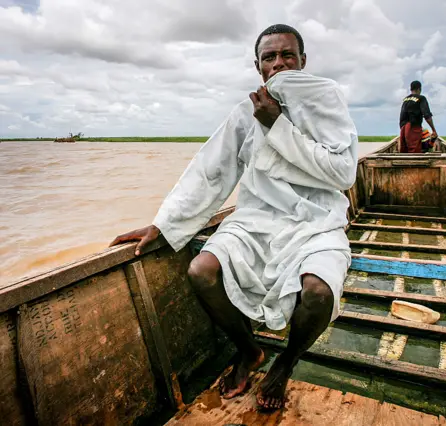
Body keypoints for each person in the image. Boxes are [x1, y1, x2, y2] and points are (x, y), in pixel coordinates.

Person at [109, 24, 358, 410]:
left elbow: (343, 173)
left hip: (317, 221)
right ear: (257, 67)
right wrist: (164, 223)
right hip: (257, 218)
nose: (278, 64)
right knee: (200, 272)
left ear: (303, 61)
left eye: (287, 55)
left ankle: (286, 362)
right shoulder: (245, 113)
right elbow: (211, 171)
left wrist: (277, 124)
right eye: (269, 57)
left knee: (319, 292)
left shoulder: (327, 104)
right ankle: (249, 350)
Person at [398, 80, 438, 153]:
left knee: (404, 151)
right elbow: (427, 115)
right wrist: (433, 130)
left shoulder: (405, 100)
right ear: (419, 89)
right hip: (413, 127)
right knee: (414, 151)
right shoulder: (421, 98)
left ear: (411, 89)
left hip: (403, 128)